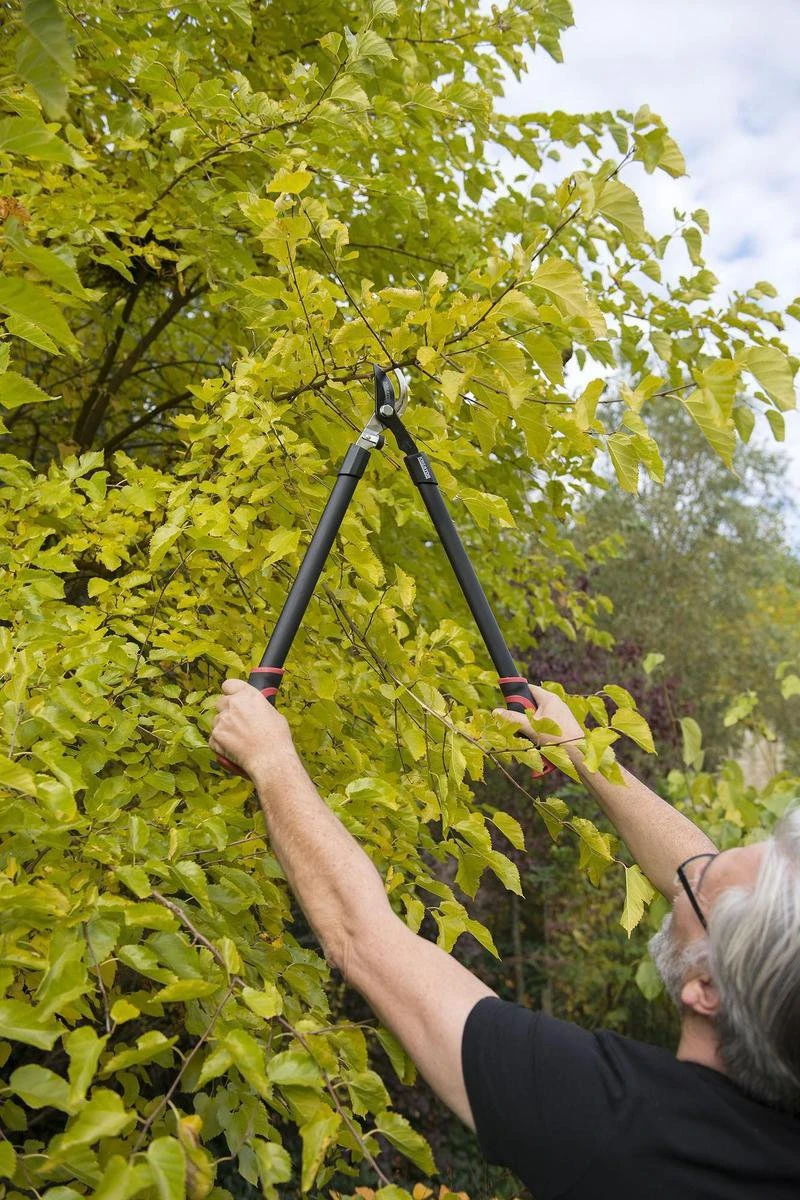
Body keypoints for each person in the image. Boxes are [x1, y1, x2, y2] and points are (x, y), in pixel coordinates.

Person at [209, 679, 800, 1199]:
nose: (690, 873)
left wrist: (271, 758)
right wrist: (577, 747)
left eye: (701, 885)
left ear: (707, 989)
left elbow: (359, 933)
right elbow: (693, 868)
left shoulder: (615, 1124)